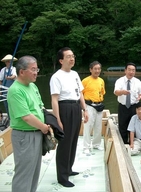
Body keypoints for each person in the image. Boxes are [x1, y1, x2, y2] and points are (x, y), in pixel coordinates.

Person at [7, 56, 49, 192]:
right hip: (24, 136)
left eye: (37, 69)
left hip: (37, 133)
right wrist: (43, 127)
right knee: (24, 172)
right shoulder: (15, 90)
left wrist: (48, 123)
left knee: (34, 171)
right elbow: (26, 117)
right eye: (33, 69)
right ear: (22, 72)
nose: (36, 72)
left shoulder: (33, 86)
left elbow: (40, 106)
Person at [50, 47, 88, 187]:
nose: (72, 58)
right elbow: (54, 99)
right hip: (64, 108)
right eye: (68, 57)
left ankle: (69, 168)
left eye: (73, 56)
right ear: (61, 60)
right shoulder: (56, 77)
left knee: (73, 140)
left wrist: (85, 109)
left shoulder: (75, 74)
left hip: (76, 107)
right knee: (65, 143)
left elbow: (81, 93)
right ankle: (62, 176)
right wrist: (57, 119)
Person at [114, 62, 141, 144]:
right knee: (122, 125)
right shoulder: (120, 81)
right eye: (129, 70)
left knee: (134, 125)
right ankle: (123, 143)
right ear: (125, 70)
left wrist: (140, 96)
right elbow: (116, 92)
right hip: (123, 106)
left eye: (133, 70)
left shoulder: (138, 82)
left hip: (134, 107)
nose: (131, 72)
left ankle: (133, 143)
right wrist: (122, 92)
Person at [82, 61, 105, 155]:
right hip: (89, 105)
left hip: (99, 105)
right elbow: (80, 95)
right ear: (90, 70)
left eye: (99, 69)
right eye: (95, 69)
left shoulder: (101, 81)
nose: (97, 71)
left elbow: (102, 92)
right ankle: (86, 146)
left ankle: (96, 144)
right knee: (88, 126)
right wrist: (84, 109)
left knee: (98, 126)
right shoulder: (85, 81)